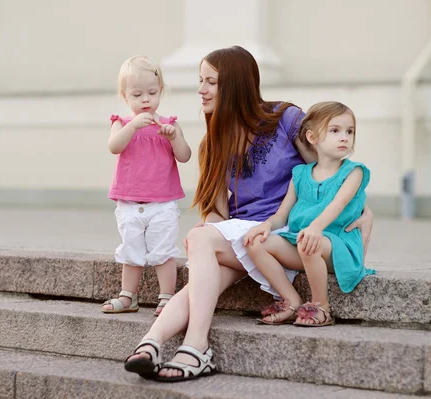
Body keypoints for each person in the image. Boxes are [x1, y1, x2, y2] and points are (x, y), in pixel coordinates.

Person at [123, 46, 374, 382]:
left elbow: (328, 168)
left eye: (211, 81)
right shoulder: (213, 142)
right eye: (201, 81)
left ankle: (196, 346)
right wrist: (207, 237)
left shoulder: (285, 118)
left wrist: (363, 210)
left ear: (236, 83)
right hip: (244, 237)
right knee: (201, 262)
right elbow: (217, 211)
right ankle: (151, 343)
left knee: (202, 242)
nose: (201, 89)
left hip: (282, 234)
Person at [243, 101, 375, 327]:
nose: (344, 137)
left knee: (308, 240)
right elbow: (283, 214)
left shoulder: (353, 172)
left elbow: (338, 204)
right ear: (313, 138)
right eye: (335, 131)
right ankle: (290, 299)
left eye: (349, 131)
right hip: (304, 242)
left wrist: (315, 228)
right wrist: (266, 225)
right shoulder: (300, 174)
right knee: (255, 243)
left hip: (339, 247)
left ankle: (321, 306)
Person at [102, 55, 192, 317]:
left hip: (162, 203)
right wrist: (132, 128)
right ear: (125, 96)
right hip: (129, 203)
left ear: (160, 92)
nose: (145, 100)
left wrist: (174, 137)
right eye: (137, 94)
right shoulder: (121, 123)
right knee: (131, 251)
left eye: (152, 93)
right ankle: (128, 296)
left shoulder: (169, 125)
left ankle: (167, 298)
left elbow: (184, 155)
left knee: (163, 252)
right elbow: (113, 147)